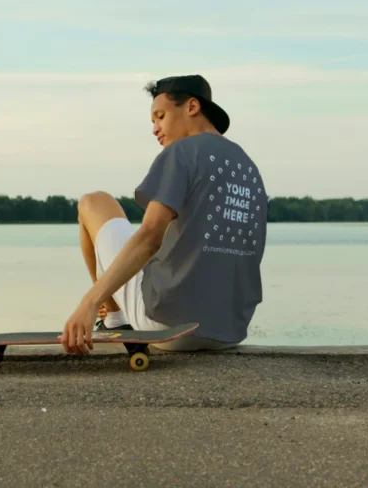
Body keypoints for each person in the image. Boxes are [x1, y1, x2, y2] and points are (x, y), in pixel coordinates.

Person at [59, 74, 267, 355]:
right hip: (229, 331)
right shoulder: (248, 166)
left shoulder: (182, 152)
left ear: (191, 107)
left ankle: (114, 319)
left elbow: (149, 237)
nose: (156, 129)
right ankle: (117, 315)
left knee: (93, 203)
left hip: (168, 325)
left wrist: (90, 302)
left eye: (160, 116)